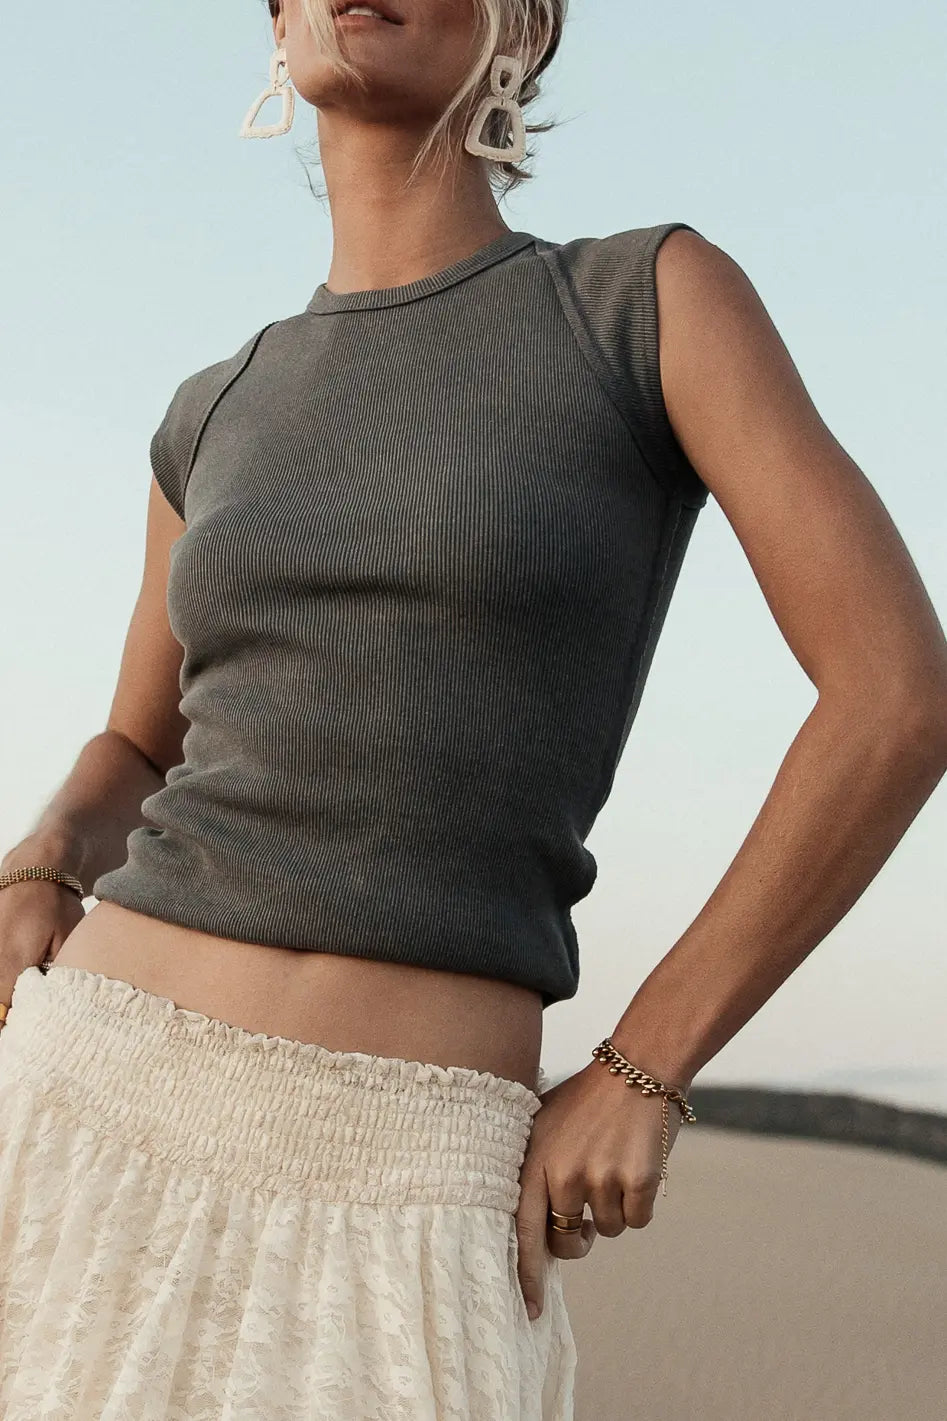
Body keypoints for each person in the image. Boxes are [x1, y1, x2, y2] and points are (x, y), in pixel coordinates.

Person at [2, 0, 946, 1417]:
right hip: (89, 1100)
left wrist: (646, 1065)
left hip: (411, 1177)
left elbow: (895, 693)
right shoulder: (215, 406)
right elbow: (142, 741)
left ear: (526, 25)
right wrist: (40, 857)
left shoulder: (641, 303)